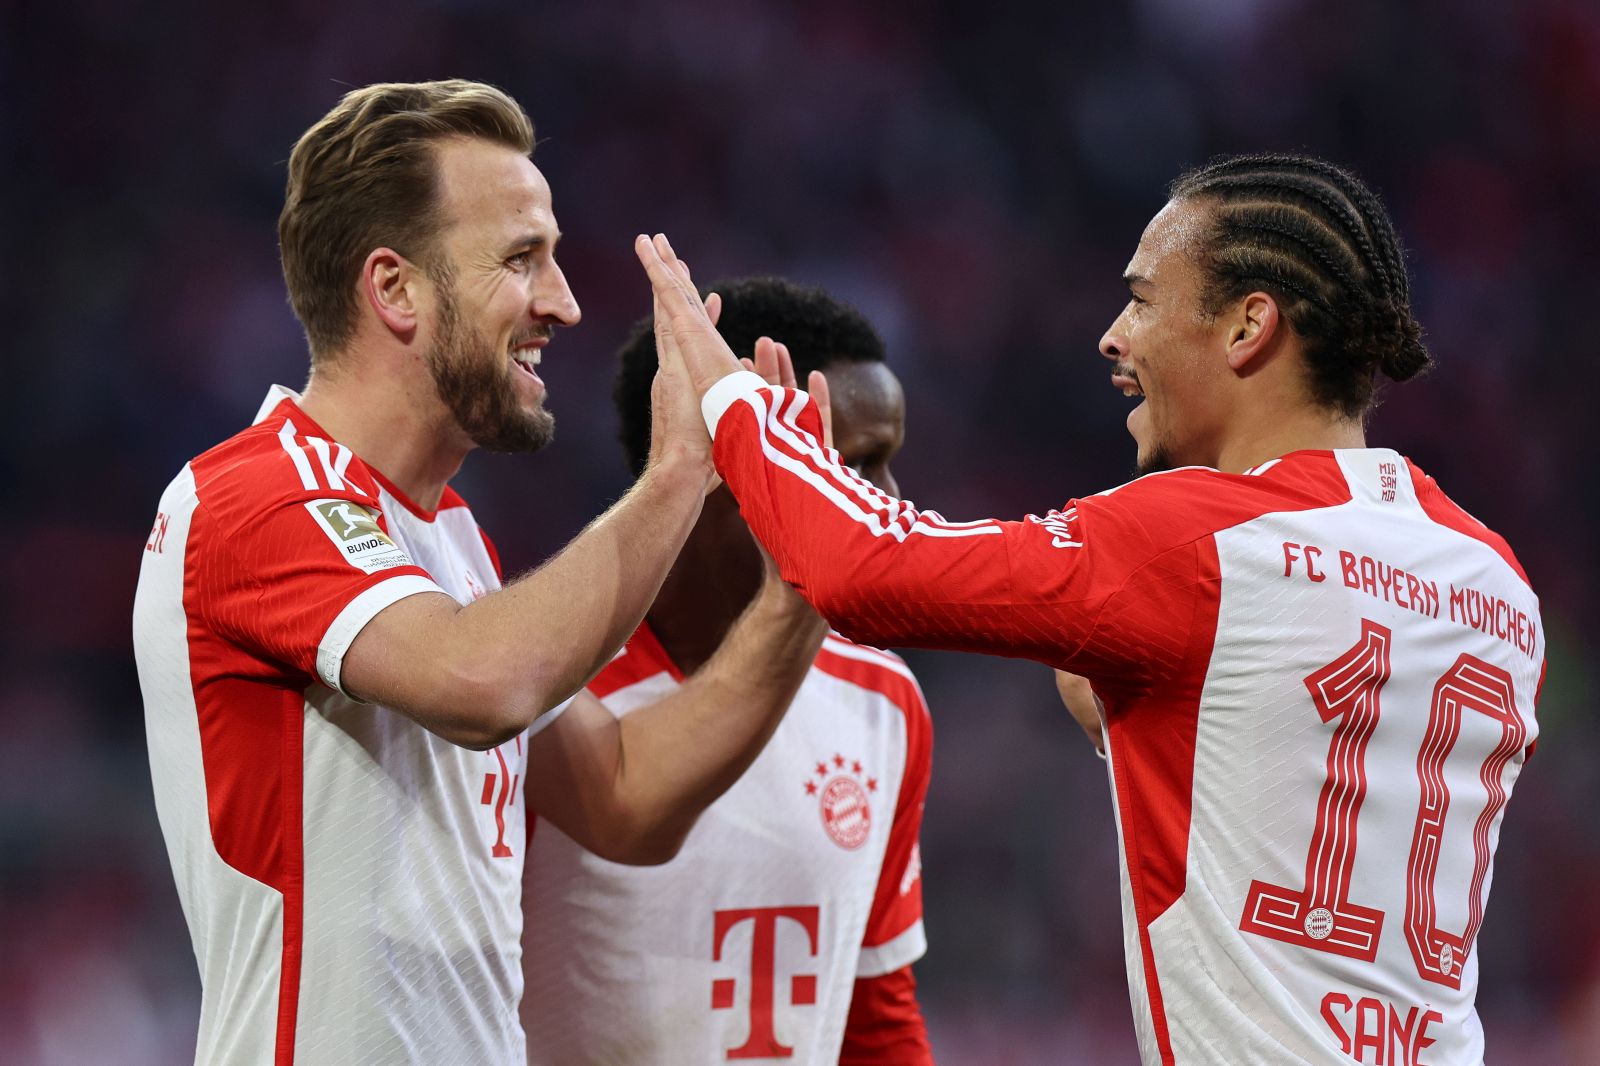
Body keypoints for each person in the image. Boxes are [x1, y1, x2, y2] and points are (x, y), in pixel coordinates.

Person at [635, 153, 1543, 1065]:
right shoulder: (1496, 581)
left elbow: (862, 570)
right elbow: (1283, 772)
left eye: (1144, 300)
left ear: (1247, 328)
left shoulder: (1201, 545)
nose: (1113, 336)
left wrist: (733, 399)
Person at [131, 80, 825, 1066]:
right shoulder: (254, 497)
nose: (566, 303)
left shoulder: (447, 537)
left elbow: (625, 794)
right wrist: (680, 468)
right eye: (520, 259)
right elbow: (482, 683)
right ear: (395, 289)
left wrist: (805, 580)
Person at [521, 278, 935, 1065]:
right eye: (855, 464)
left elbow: (873, 1017)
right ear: (726, 466)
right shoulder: (541, 701)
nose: (889, 502)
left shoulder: (885, 701)